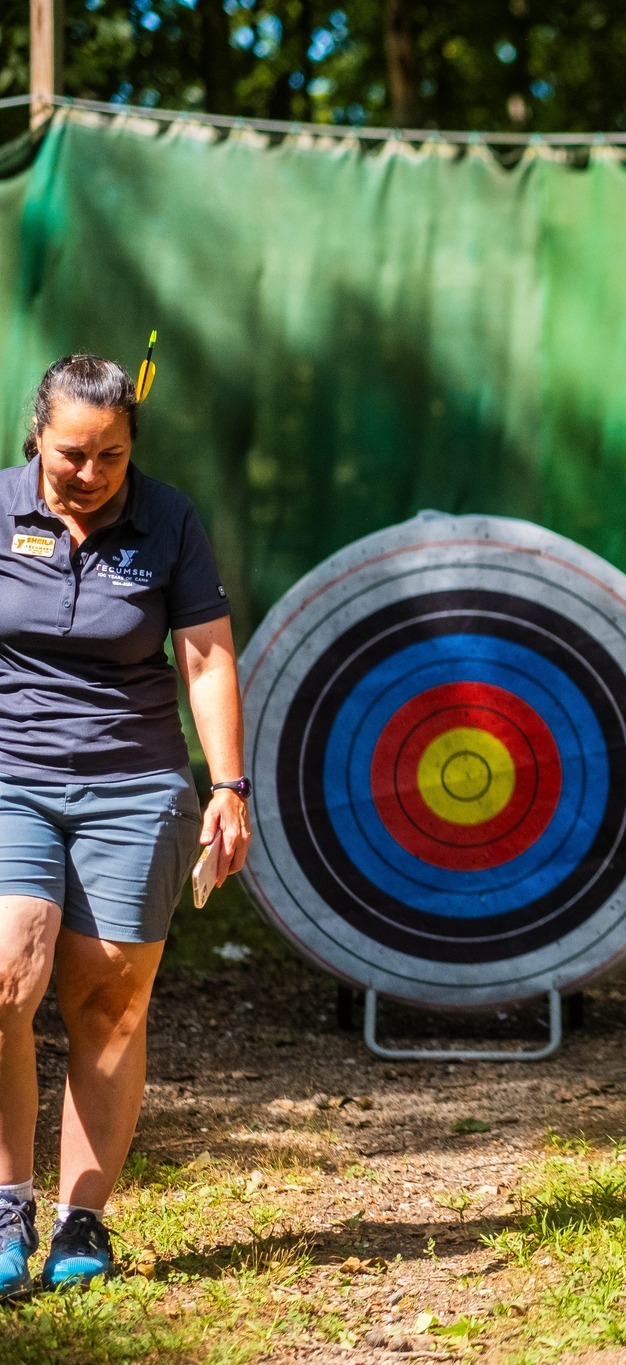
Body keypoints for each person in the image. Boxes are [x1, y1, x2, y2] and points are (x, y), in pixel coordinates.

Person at [0, 354, 250, 1293]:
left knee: (109, 1004)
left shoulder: (169, 520)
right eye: (72, 454)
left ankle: (81, 1223)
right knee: (3, 981)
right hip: (10, 773)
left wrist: (230, 785)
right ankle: (5, 1204)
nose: (92, 473)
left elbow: (206, 659)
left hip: (134, 784)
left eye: (111, 454)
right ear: (37, 438)